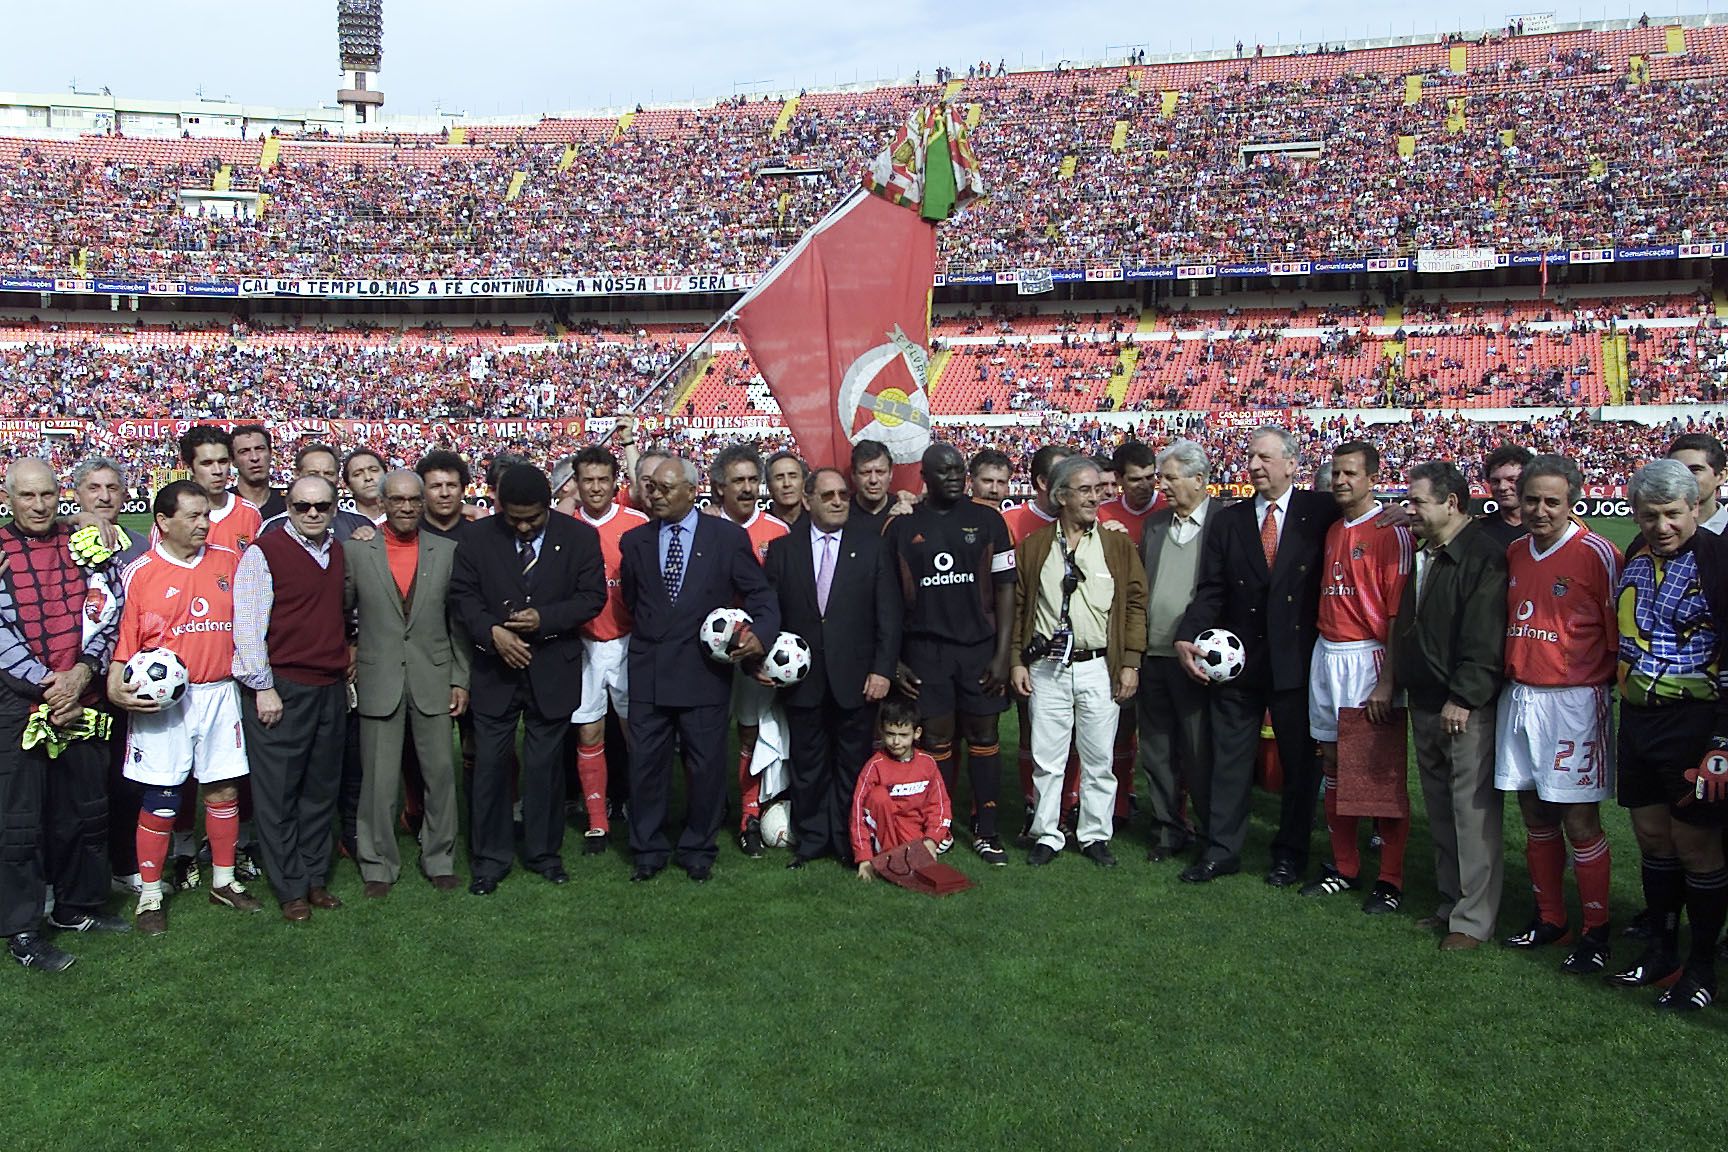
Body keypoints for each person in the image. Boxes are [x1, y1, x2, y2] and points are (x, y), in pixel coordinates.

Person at [1177, 426, 1338, 886]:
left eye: (1264, 458)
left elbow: (1364, 520)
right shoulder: (1229, 521)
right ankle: (1222, 850)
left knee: (1298, 765)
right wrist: (1188, 636)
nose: (1253, 466)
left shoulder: (1320, 512)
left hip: (1296, 663)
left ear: (1292, 464)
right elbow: (1211, 590)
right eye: (1250, 457)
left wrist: (1396, 518)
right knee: (1229, 761)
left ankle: (1289, 855)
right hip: (1237, 664)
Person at [109, 479, 264, 934]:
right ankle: (152, 894)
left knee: (223, 791)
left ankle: (224, 880)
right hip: (164, 702)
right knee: (161, 797)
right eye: (193, 516)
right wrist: (118, 684)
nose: (204, 524)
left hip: (220, 694)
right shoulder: (141, 572)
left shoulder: (229, 562)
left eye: (206, 515)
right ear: (163, 521)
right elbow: (126, 642)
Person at [619, 456, 779, 883]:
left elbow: (759, 595)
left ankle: (697, 848)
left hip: (704, 672)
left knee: (705, 765)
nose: (655, 495)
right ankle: (648, 849)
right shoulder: (634, 543)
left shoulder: (725, 538)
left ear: (692, 492)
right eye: (651, 488)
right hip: (650, 670)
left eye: (666, 489)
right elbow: (635, 602)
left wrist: (759, 636)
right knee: (647, 765)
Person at [449, 465, 605, 895]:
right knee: (491, 769)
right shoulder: (477, 538)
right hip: (494, 672)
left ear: (549, 505)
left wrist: (545, 619)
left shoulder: (579, 538)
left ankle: (544, 854)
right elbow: (462, 597)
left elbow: (592, 597)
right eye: (513, 517)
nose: (521, 525)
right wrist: (493, 633)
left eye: (531, 518)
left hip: (552, 667)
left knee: (544, 769)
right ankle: (490, 859)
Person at [1608, 459, 1728, 1010]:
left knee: (1696, 845)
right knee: (1653, 838)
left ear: (1696, 510)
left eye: (1673, 514)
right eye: (1650, 514)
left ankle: (1701, 967)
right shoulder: (1634, 555)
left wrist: (1722, 739)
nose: (1661, 526)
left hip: (1694, 724)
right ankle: (1661, 949)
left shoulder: (1718, 562)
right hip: (1637, 718)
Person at [1495, 454, 1620, 971]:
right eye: (1531, 500)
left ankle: (1597, 930)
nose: (1540, 510)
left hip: (1573, 701)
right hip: (1520, 695)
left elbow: (1618, 638)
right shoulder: (1515, 553)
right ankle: (1551, 917)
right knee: (1533, 812)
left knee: (1580, 817)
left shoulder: (1598, 554)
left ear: (1572, 501)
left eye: (1552, 501)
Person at [1, 459, 126, 974]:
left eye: (47, 495)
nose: (38, 505)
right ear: (9, 498)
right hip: (19, 702)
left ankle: (77, 906)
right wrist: (49, 684)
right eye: (27, 496)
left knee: (85, 811)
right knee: (19, 823)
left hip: (82, 694)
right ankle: (23, 927)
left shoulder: (82, 545)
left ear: (60, 496)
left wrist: (83, 672)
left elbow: (107, 609)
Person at [1392, 460, 1508, 951]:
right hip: (1425, 700)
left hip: (1461, 706)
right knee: (1440, 807)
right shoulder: (1426, 551)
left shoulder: (1483, 556)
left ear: (1452, 503)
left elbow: (1485, 635)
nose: (1409, 509)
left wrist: (1464, 696)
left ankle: (1473, 919)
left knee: (1471, 812)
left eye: (1417, 501)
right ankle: (1450, 900)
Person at [1010, 456, 1146, 867]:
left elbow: (1135, 603)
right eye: (1084, 490)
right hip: (1047, 668)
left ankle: (1094, 834)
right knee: (1047, 758)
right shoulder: (1034, 547)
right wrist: (1017, 661)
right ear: (1061, 496)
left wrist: (1131, 662)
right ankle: (1048, 833)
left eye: (1097, 489)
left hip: (1099, 666)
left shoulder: (1117, 545)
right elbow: (1020, 608)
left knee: (1100, 758)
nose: (1096, 497)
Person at [887, 442, 1017, 866]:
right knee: (938, 740)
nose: (955, 477)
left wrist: (1002, 656)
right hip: (926, 652)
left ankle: (987, 829)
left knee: (984, 737)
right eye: (944, 471)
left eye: (959, 469)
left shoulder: (988, 521)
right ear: (923, 478)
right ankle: (939, 826)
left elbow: (1006, 589)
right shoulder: (902, 527)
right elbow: (886, 601)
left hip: (979, 651)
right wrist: (895, 660)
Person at [763, 468, 901, 868]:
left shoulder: (871, 547)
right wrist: (764, 660)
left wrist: (883, 670)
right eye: (828, 495)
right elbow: (771, 612)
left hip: (857, 680)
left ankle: (848, 839)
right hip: (802, 681)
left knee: (851, 764)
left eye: (843, 494)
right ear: (808, 501)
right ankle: (810, 840)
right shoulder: (783, 550)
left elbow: (887, 616)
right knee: (807, 765)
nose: (839, 501)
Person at [1302, 442, 1413, 914]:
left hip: (1367, 658)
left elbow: (1398, 615)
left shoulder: (1391, 531)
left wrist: (1387, 682)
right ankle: (1344, 867)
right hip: (1326, 653)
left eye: (1351, 473)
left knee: (1377, 774)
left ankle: (1390, 879)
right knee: (1332, 763)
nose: (1341, 480)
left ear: (1372, 477)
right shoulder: (1331, 530)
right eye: (1336, 473)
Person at [232, 475, 349, 923]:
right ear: (290, 508)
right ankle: (289, 887)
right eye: (303, 507)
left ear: (334, 507)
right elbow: (248, 626)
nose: (313, 513)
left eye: (321, 506)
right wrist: (263, 688)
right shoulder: (265, 552)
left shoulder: (336, 552)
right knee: (279, 793)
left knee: (320, 790)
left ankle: (315, 877)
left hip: (329, 685)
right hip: (283, 687)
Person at [346, 470, 469, 897]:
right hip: (379, 677)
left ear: (423, 503)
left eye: (413, 500)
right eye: (397, 500)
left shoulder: (447, 551)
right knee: (378, 781)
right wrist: (350, 651)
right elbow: (342, 612)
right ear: (382, 502)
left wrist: (459, 677)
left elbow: (458, 624)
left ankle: (440, 857)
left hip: (433, 675)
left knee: (439, 775)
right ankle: (377, 864)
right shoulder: (357, 551)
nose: (406, 507)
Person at [709, 444, 791, 856]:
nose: (747, 488)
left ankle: (748, 814)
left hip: (758, 655)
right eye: (737, 481)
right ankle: (707, 808)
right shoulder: (702, 527)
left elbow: (786, 600)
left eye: (752, 480)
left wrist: (770, 652)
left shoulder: (777, 531)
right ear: (719, 486)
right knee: (704, 733)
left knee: (751, 730)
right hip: (706, 655)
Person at [1138, 439, 1215, 863]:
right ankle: (1168, 828)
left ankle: (1208, 831)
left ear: (1199, 480)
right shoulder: (1154, 526)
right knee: (1158, 749)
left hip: (1200, 661)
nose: (1160, 485)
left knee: (1199, 750)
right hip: (1154, 656)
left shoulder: (1225, 522)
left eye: (1169, 477)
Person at [568, 446, 647, 853]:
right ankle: (597, 822)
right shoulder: (563, 526)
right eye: (588, 480)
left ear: (614, 482)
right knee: (588, 730)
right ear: (576, 483)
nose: (595, 488)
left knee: (638, 732)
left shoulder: (636, 524)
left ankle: (641, 809)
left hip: (630, 641)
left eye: (602, 480)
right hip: (583, 644)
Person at [1003, 444, 1072, 833]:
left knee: (1076, 733)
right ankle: (1034, 802)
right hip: (1027, 646)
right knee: (1031, 728)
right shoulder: (1012, 521)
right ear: (1043, 482)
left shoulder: (1082, 520)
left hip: (1074, 645)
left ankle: (1071, 802)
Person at [850, 696, 952, 879]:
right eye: (890, 734)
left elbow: (940, 805)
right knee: (878, 796)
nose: (896, 742)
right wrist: (863, 857)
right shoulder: (875, 766)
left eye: (903, 735)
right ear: (882, 732)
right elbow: (857, 814)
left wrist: (931, 839)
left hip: (914, 830)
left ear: (917, 733)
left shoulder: (927, 763)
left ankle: (929, 845)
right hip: (885, 830)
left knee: (929, 859)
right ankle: (889, 859)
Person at [178, 426, 262, 555]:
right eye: (207, 463)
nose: (217, 471)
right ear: (188, 467)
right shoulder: (172, 516)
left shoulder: (250, 514)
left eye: (223, 462)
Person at [1096, 440, 1161, 547]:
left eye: (1149, 477)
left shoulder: (1170, 508)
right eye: (1135, 480)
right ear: (1118, 478)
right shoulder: (1101, 513)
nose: (1144, 486)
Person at [1667, 433, 1728, 535]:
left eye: (1694, 470)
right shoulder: (1650, 541)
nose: (1683, 477)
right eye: (1676, 470)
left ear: (1720, 477)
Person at [1476, 444, 1532, 551]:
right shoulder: (1478, 531)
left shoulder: (1544, 528)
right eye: (1495, 481)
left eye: (1511, 480)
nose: (1502, 487)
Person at [231, 424, 285, 519]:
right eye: (244, 451)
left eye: (260, 449)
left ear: (270, 453)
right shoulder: (222, 505)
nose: (254, 457)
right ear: (233, 460)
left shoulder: (290, 504)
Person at [417, 450, 473, 539]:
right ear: (422, 492)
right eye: (436, 486)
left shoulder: (477, 536)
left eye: (451, 485)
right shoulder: (410, 535)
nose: (444, 493)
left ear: (462, 491)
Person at [850, 440, 896, 523]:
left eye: (880, 472)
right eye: (865, 472)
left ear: (890, 474)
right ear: (853, 475)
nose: (873, 480)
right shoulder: (842, 515)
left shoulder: (901, 511)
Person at [344, 449, 388, 525]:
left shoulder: (407, 517)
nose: (368, 477)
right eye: (357, 474)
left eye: (374, 470)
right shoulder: (340, 524)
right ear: (348, 487)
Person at [765, 450, 808, 526]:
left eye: (793, 476)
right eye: (779, 478)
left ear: (804, 482)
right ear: (769, 486)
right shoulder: (757, 528)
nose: (787, 484)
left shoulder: (818, 524)